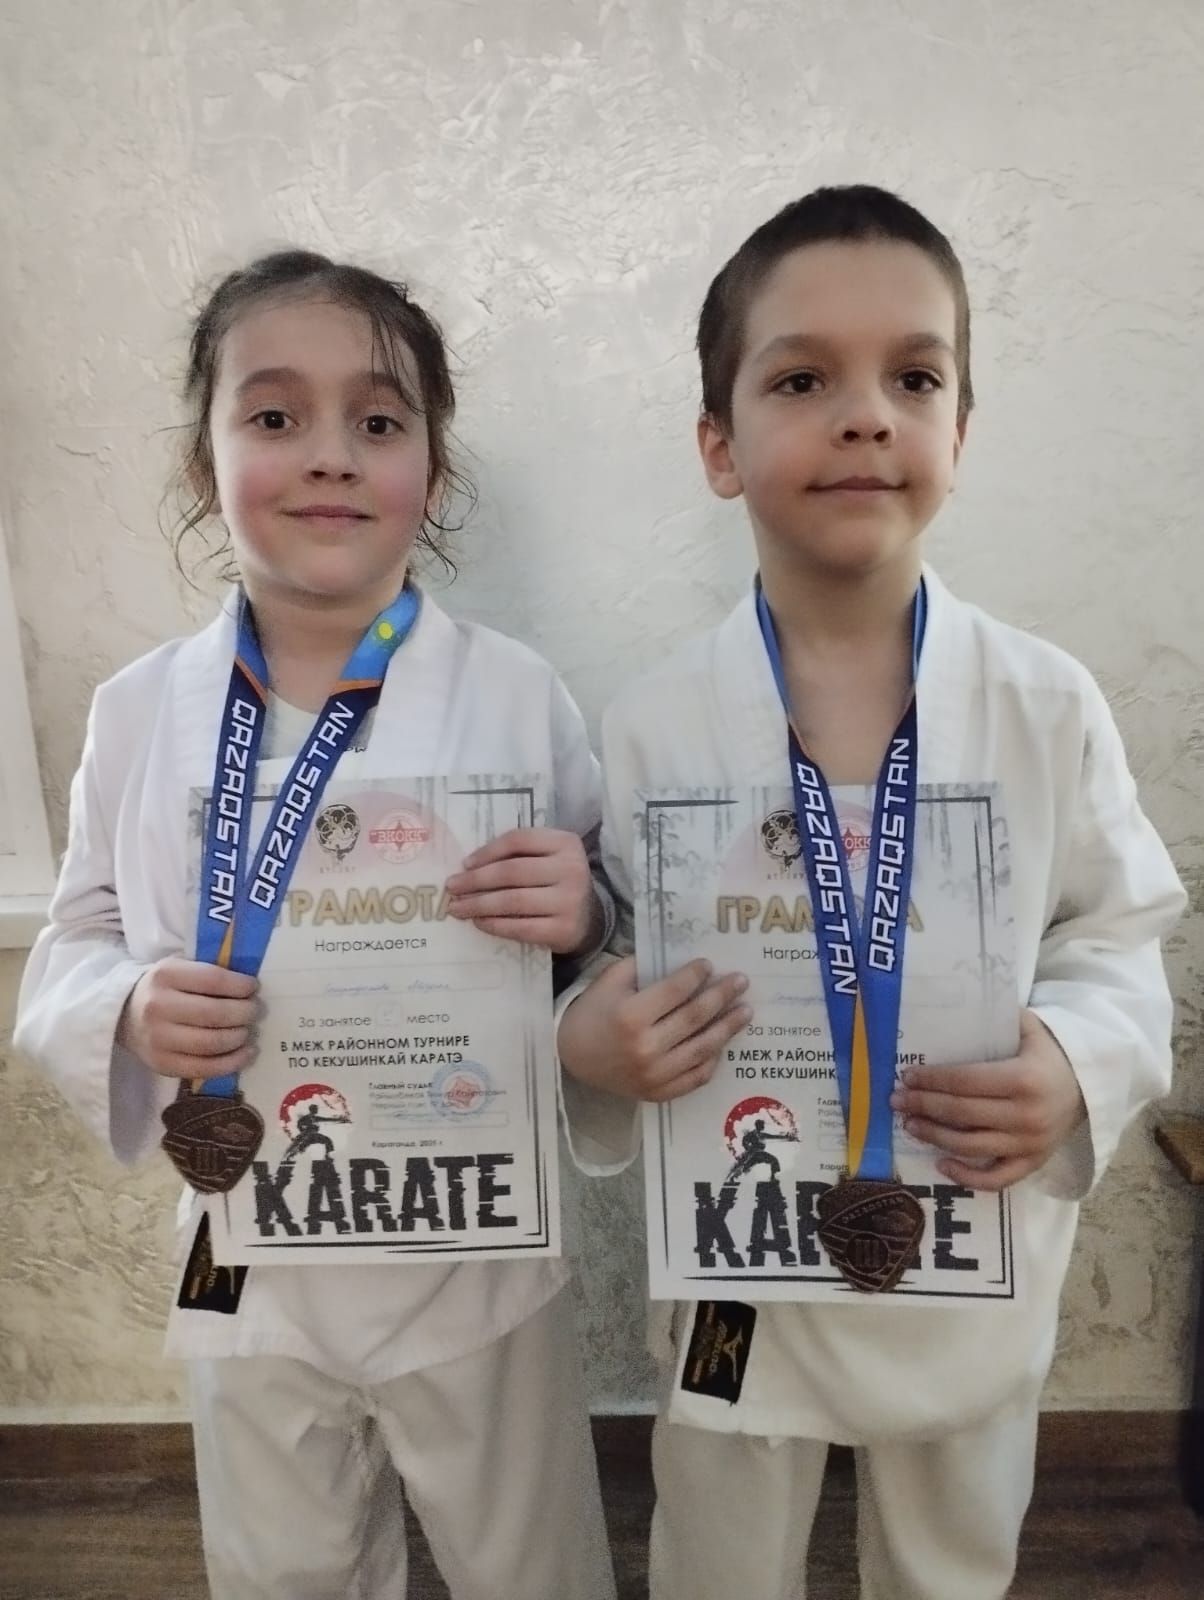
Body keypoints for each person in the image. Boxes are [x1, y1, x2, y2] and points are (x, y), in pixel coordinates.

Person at [557, 185, 1185, 1600]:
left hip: (966, 1230)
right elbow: (609, 946)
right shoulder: (655, 721)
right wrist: (591, 1043)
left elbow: (1118, 935)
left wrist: (1074, 1063)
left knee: (953, 1554)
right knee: (720, 1547)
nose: (865, 417)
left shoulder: (1044, 704)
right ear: (719, 446)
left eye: (914, 376)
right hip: (742, 1244)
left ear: (962, 430)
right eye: (802, 380)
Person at [16, 249, 616, 1600]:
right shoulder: (139, 711)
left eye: (380, 421)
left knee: (530, 1563)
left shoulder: (517, 696)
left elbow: (617, 933)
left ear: (434, 475)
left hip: (473, 1252)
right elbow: (75, 945)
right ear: (205, 464)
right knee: (282, 1569)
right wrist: (128, 1006)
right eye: (277, 415)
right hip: (252, 1251)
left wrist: (583, 915)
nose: (331, 454)